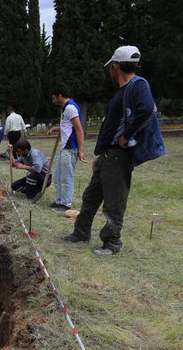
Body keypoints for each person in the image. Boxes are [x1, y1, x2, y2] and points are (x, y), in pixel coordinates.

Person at [64, 45, 155, 256]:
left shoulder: (137, 85)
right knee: (90, 197)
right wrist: (101, 155)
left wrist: (128, 134)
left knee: (114, 202)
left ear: (115, 66)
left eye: (110, 67)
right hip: (107, 156)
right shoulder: (122, 92)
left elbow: (149, 110)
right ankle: (80, 233)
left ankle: (112, 243)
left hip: (118, 157)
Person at [47, 84, 88, 212]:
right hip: (65, 148)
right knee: (58, 176)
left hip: (70, 148)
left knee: (66, 177)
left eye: (54, 98)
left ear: (60, 96)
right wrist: (55, 128)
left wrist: (80, 151)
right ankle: (59, 201)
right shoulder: (66, 109)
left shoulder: (70, 108)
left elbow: (79, 129)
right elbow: (68, 128)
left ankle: (65, 204)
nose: (53, 101)